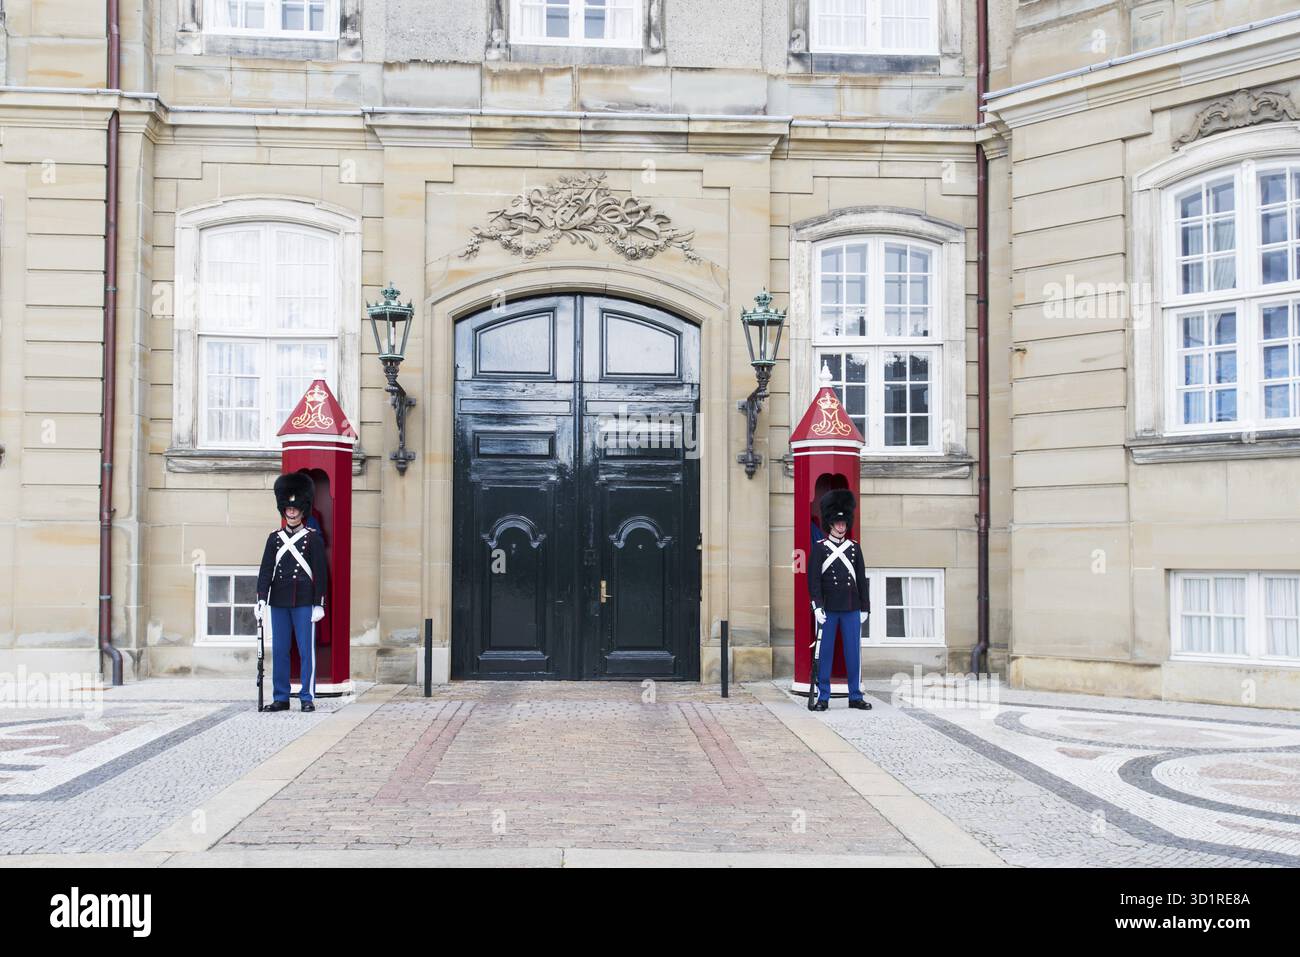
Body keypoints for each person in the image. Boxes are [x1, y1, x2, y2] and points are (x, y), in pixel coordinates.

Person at [255, 470, 327, 712]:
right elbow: (266, 570)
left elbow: (321, 572)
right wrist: (261, 599)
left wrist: (320, 603)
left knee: (306, 651)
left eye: (296, 509)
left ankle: (307, 696)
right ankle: (281, 697)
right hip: (279, 600)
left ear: (302, 510)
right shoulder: (273, 539)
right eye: (288, 508)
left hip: (305, 600)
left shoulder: (312, 539)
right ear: (283, 510)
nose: (292, 511)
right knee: (280, 650)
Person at [807, 489, 871, 711]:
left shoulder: (854, 548)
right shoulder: (820, 549)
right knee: (825, 654)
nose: (841, 525)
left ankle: (855, 695)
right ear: (830, 523)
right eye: (837, 521)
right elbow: (813, 581)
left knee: (853, 653)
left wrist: (865, 607)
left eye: (844, 522)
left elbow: (861, 580)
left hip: (852, 608)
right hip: (829, 609)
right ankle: (823, 696)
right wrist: (817, 607)